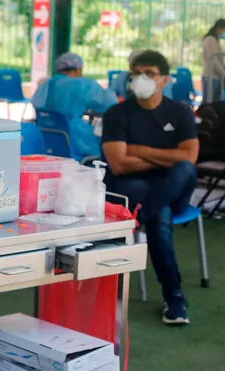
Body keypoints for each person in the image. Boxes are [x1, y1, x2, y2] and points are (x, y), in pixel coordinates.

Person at [101, 50, 199, 325]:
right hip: (135, 190)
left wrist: (140, 150)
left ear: (164, 79)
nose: (140, 79)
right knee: (160, 214)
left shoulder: (179, 112)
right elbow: (119, 164)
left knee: (183, 170)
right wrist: (165, 158)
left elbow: (189, 158)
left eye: (149, 73)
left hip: (173, 189)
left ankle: (141, 218)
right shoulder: (117, 113)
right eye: (136, 73)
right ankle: (175, 296)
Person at [31, 52, 117, 158]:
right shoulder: (83, 85)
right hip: (75, 139)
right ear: (78, 70)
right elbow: (109, 104)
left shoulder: (45, 84)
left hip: (47, 137)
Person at [202, 19, 225, 103]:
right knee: (208, 103)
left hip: (217, 76)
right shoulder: (210, 39)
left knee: (215, 103)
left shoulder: (216, 40)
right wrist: (223, 73)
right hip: (211, 76)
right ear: (219, 28)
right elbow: (213, 60)